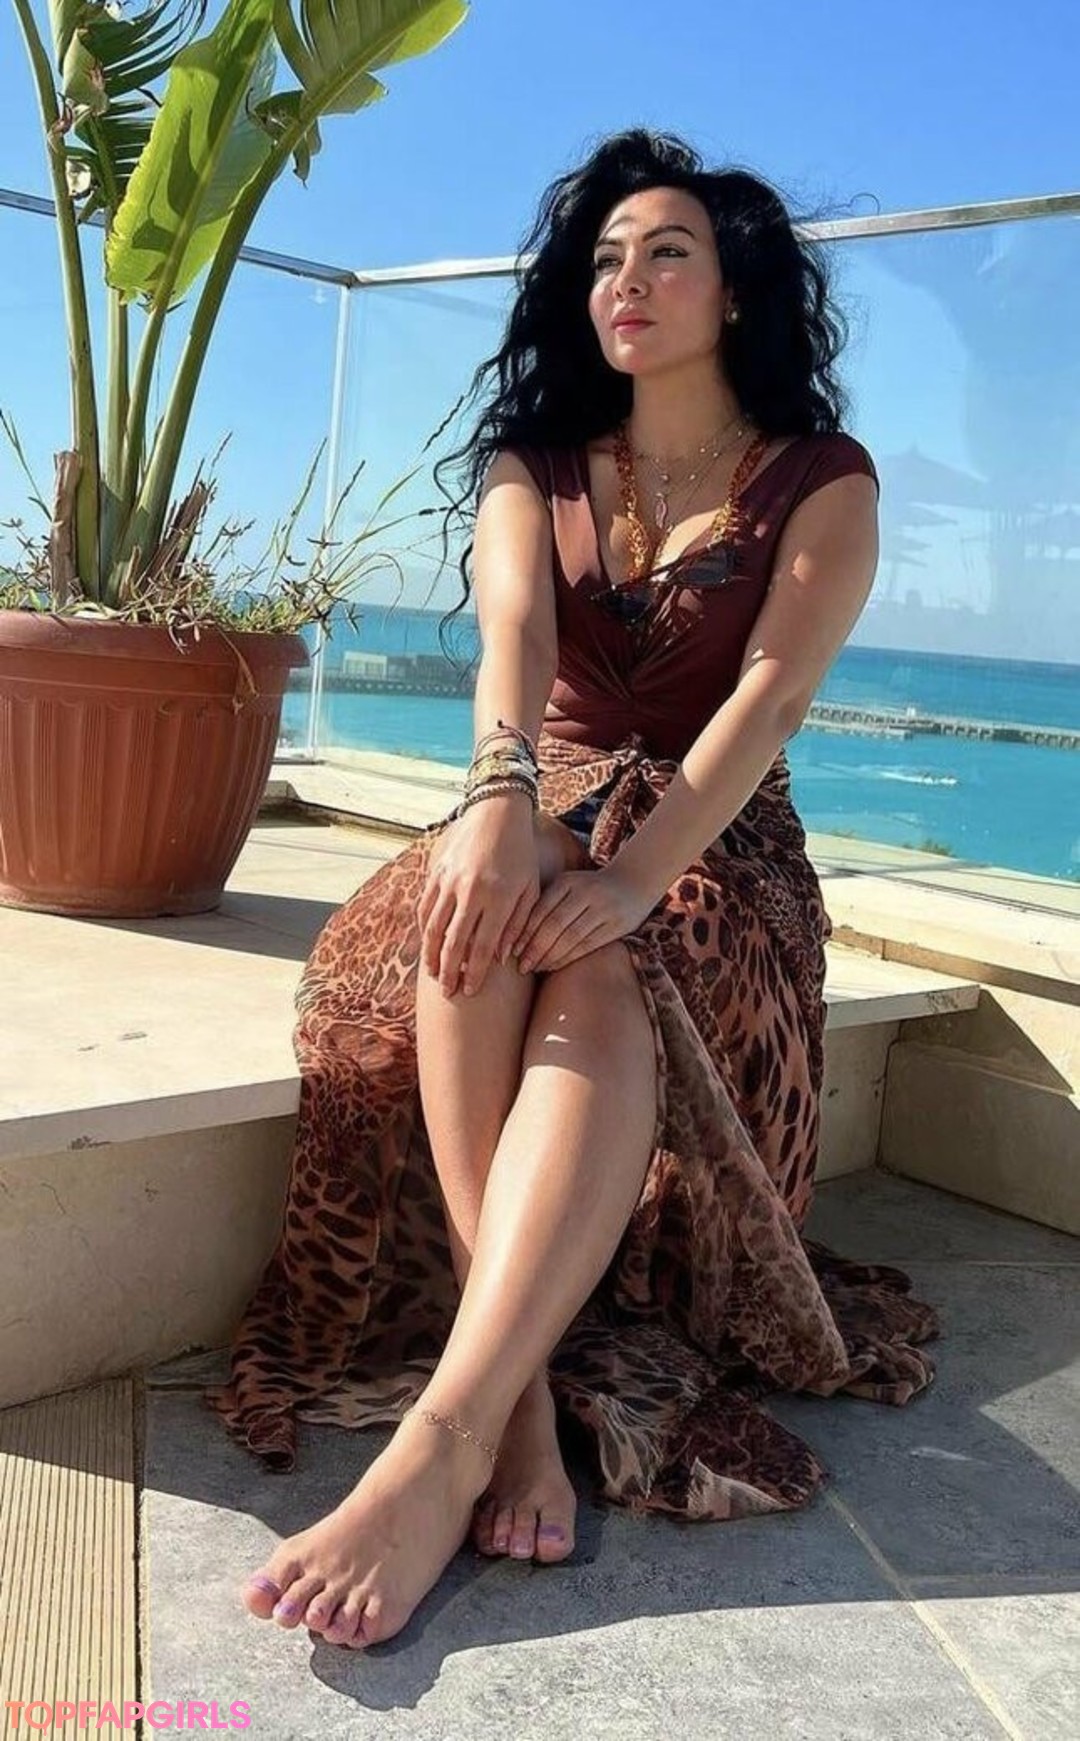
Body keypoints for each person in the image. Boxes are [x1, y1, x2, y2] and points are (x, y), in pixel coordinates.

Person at [206, 129, 937, 1652]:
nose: (627, 280)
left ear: (737, 290)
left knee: (603, 952)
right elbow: (516, 645)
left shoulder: (822, 479)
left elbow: (766, 701)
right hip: (535, 794)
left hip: (717, 838)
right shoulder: (535, 464)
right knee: (486, 896)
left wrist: (638, 876)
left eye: (667, 252)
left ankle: (447, 1433)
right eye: (605, 258)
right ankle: (514, 1397)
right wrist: (495, 797)